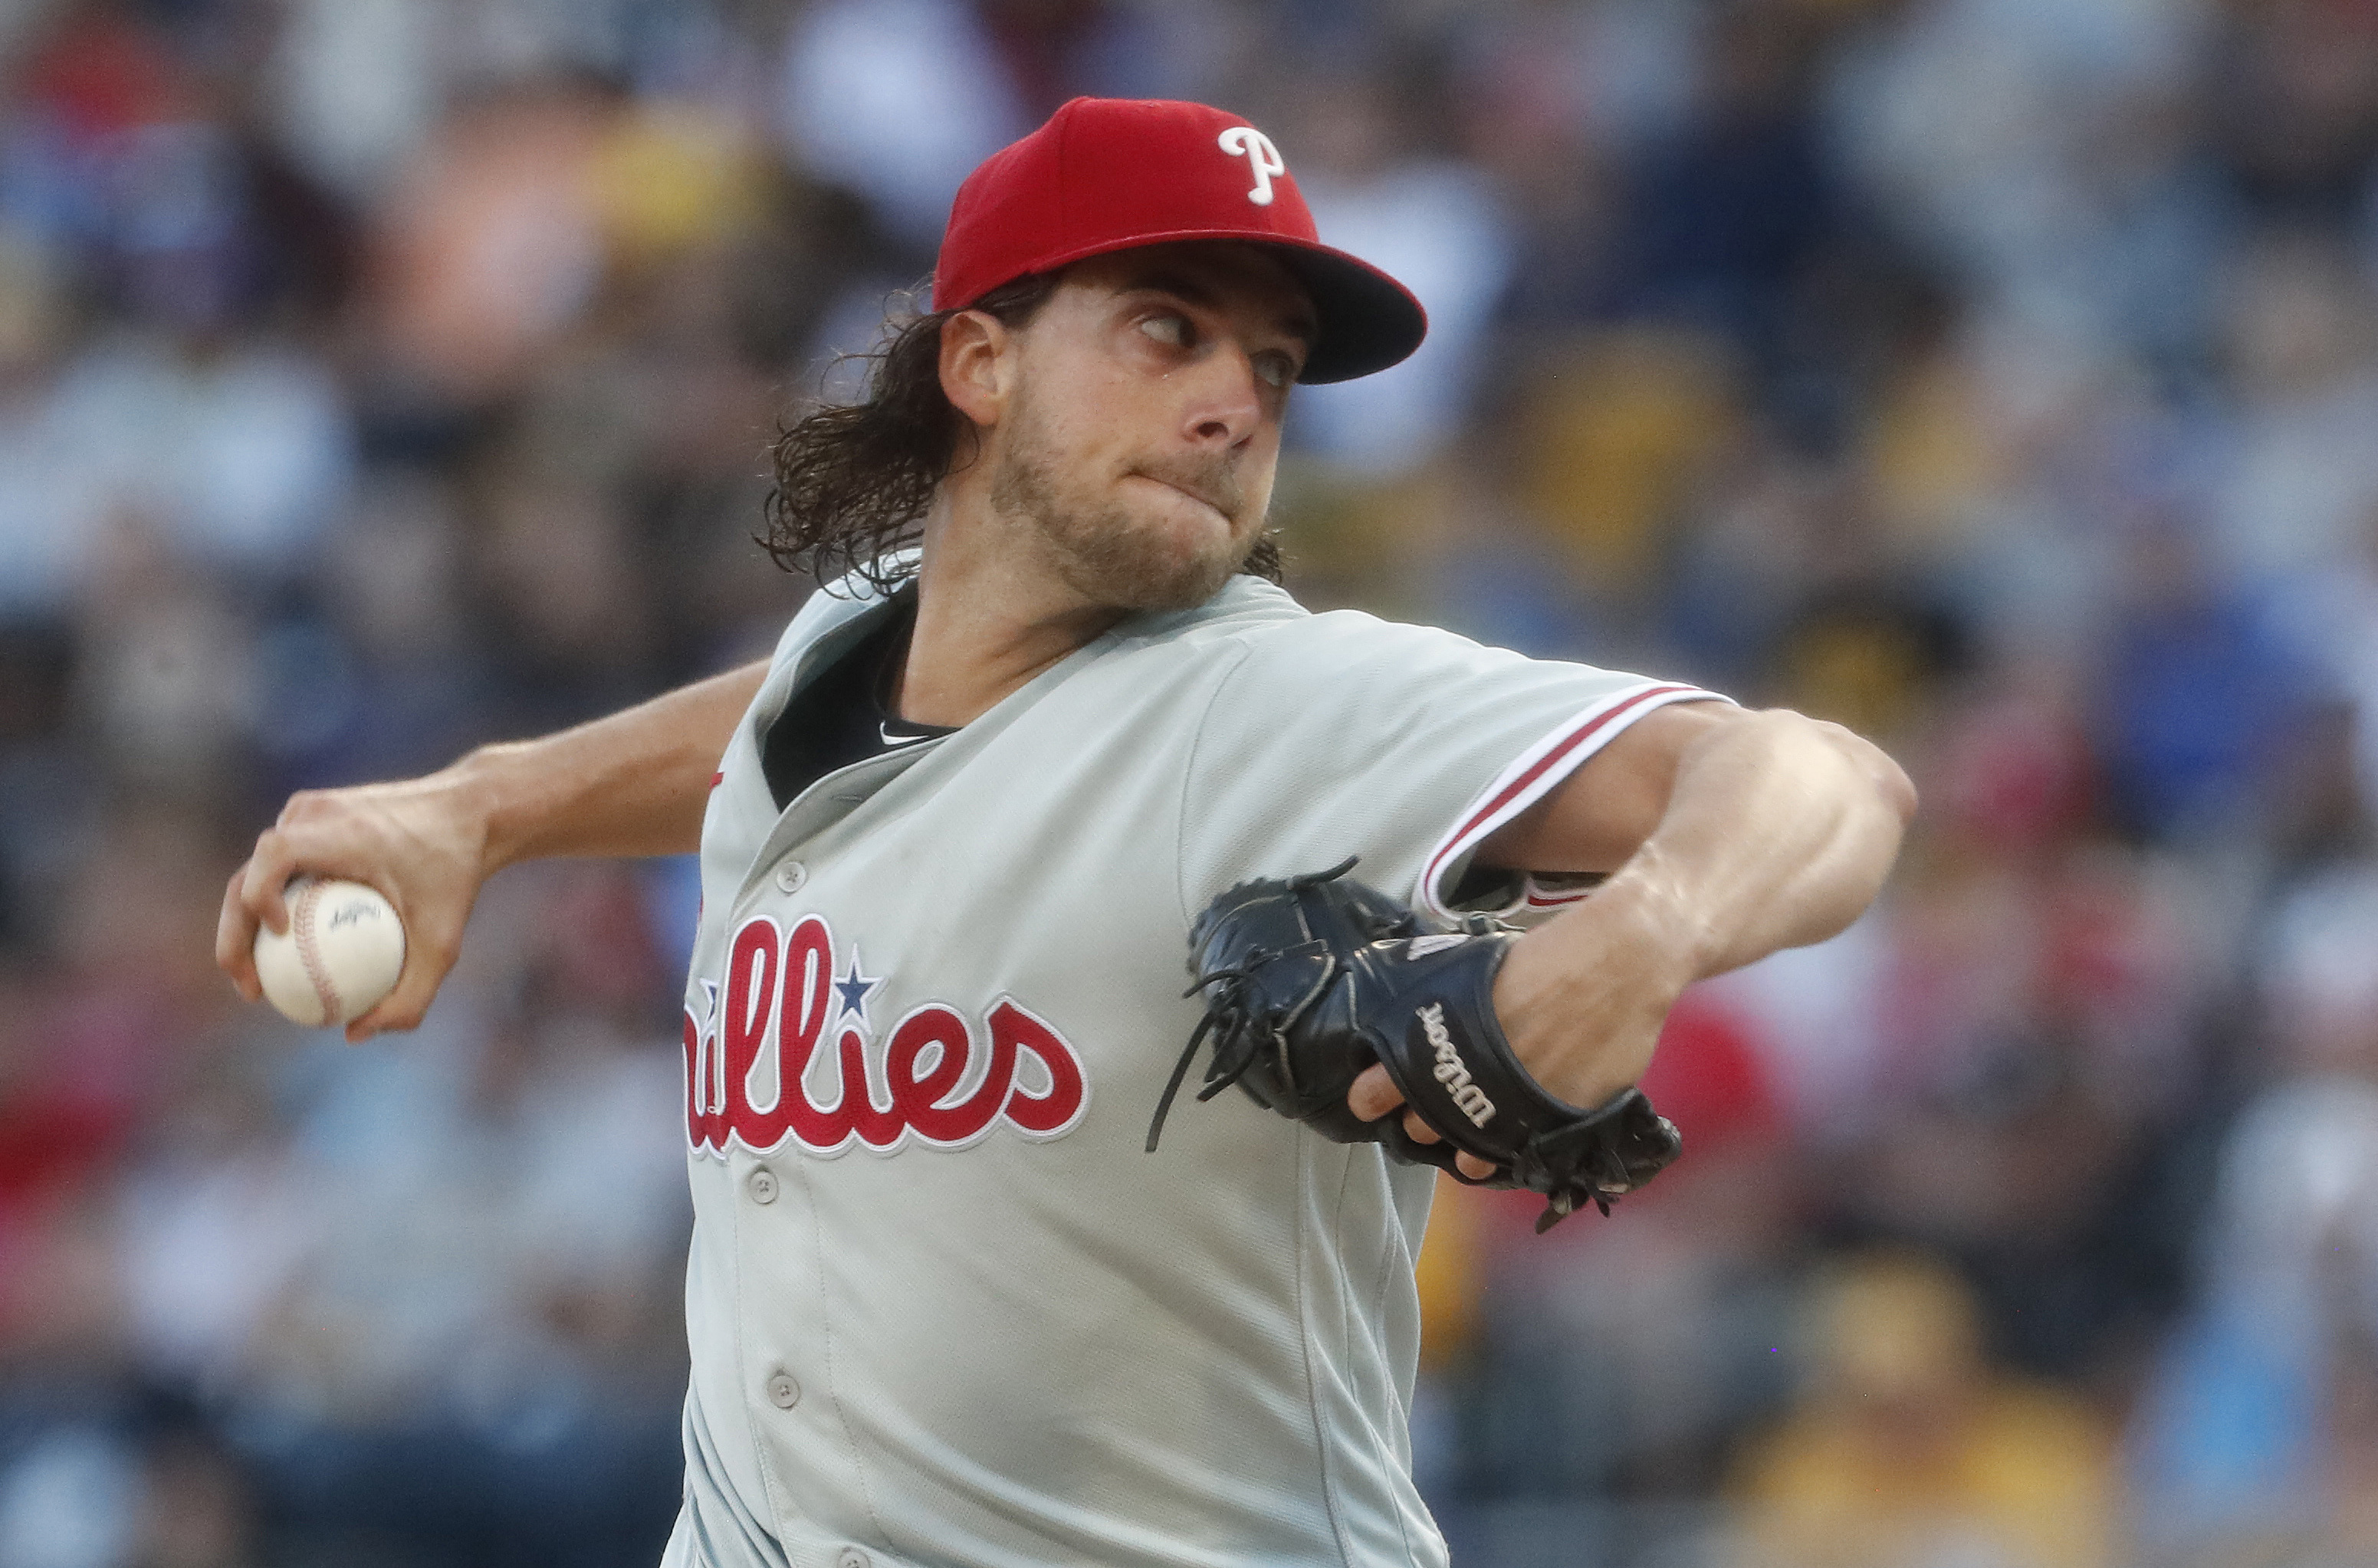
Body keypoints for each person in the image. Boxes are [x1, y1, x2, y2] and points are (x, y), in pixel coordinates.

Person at [217, 97, 1914, 1568]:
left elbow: (1826, 780)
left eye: (1273, 365)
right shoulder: (852, 655)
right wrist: (482, 807)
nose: (1236, 401)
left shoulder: (1278, 712)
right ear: (978, 359)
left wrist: (1647, 926)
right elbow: (764, 728)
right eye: (1168, 328)